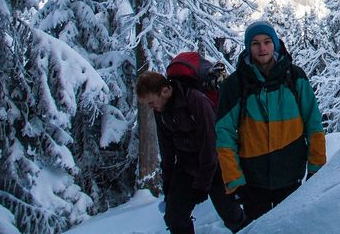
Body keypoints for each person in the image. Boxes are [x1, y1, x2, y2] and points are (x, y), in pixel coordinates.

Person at [215, 22, 326, 224]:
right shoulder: (235, 84)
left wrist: (316, 167)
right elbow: (224, 134)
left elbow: (314, 124)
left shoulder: (294, 77)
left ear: (275, 44)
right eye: (256, 43)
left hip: (291, 176)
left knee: (293, 228)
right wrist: (234, 179)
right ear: (248, 47)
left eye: (267, 42)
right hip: (252, 181)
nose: (262, 48)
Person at [136, 71, 247, 234]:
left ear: (165, 91)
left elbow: (210, 145)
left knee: (232, 216)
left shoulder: (197, 101)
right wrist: (168, 182)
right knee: (175, 218)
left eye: (152, 103)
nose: (151, 107)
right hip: (186, 167)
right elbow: (166, 149)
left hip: (216, 168)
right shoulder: (161, 111)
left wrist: (202, 185)